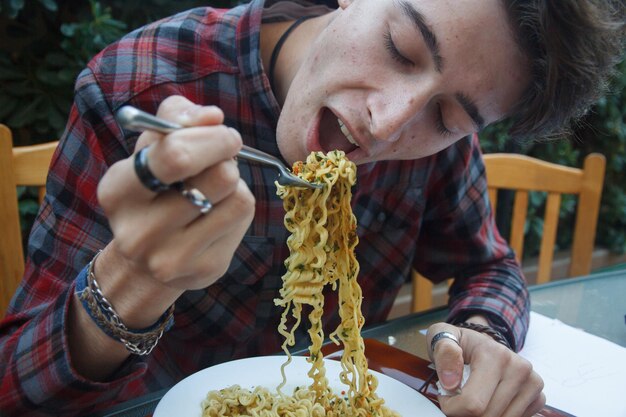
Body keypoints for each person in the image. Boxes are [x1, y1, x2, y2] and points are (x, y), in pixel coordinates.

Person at [0, 0, 623, 415]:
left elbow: (491, 267)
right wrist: (134, 280)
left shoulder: (432, 153)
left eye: (448, 116)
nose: (389, 122)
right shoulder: (138, 88)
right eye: (401, 47)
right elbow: (17, 388)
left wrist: (481, 338)